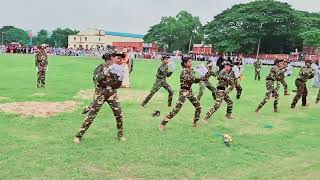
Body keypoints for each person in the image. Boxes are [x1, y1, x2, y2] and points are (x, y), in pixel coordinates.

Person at [74, 49, 127, 144]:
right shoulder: (100, 67)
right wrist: (106, 72)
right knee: (91, 116)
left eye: (120, 58)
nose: (119, 60)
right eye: (117, 58)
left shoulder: (118, 69)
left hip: (112, 94)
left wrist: (120, 78)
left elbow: (117, 86)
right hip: (101, 94)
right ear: (111, 58)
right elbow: (96, 79)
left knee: (119, 114)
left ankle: (120, 135)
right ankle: (78, 135)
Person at [159, 56, 211, 131]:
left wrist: (204, 76)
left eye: (191, 61)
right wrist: (199, 75)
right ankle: (163, 123)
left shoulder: (190, 70)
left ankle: (195, 122)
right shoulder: (184, 71)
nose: (191, 63)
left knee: (198, 107)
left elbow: (195, 80)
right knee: (176, 109)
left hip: (189, 91)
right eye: (189, 62)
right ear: (185, 64)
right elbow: (191, 79)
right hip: (184, 91)